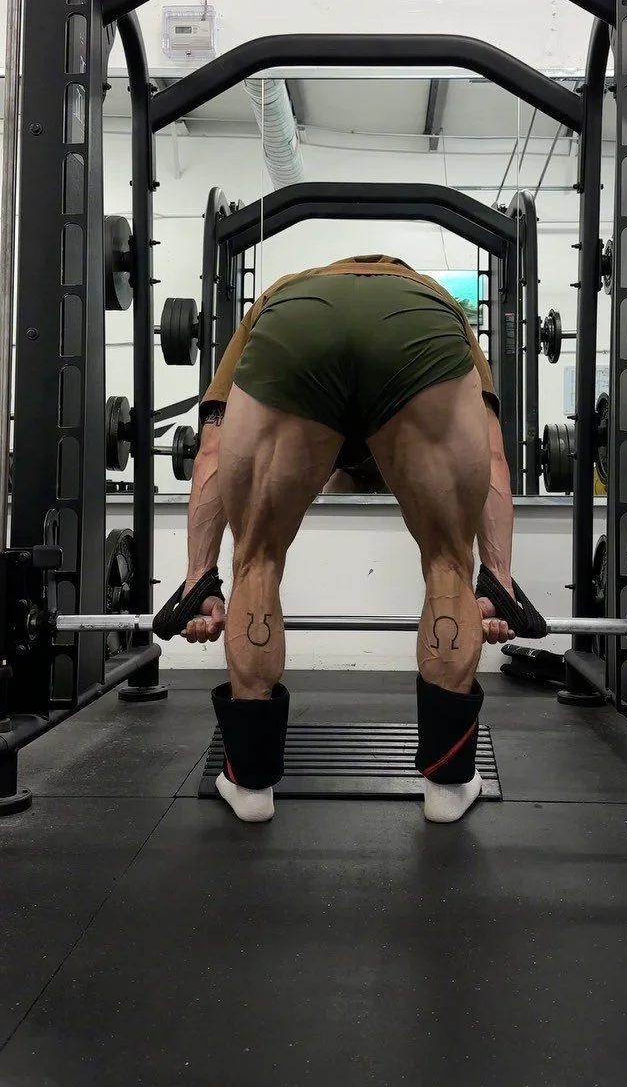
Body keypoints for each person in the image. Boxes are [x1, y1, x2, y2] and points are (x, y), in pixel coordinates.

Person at [174, 255, 520, 826]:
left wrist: (198, 580)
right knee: (448, 564)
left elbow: (211, 449)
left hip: (297, 325)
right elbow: (493, 456)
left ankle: (251, 786)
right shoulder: (437, 300)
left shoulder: (282, 291)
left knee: (257, 561)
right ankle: (446, 787)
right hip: (419, 329)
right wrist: (498, 583)